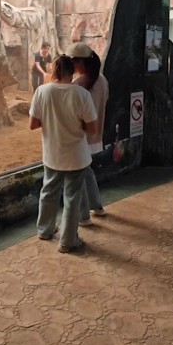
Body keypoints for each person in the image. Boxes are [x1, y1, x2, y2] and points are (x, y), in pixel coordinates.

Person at [30, 54, 98, 254]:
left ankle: (45, 230)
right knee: (72, 197)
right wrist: (73, 123)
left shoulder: (42, 91)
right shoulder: (82, 94)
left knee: (48, 191)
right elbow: (92, 129)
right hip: (76, 156)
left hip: (52, 154)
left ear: (54, 70)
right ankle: (68, 241)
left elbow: (33, 124)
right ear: (73, 71)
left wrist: (52, 121)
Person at [65, 42, 109, 223]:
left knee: (76, 177)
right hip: (95, 134)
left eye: (73, 62)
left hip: (80, 136)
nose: (71, 66)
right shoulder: (102, 80)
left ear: (81, 62)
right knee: (86, 170)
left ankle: (83, 216)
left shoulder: (78, 85)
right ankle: (97, 206)